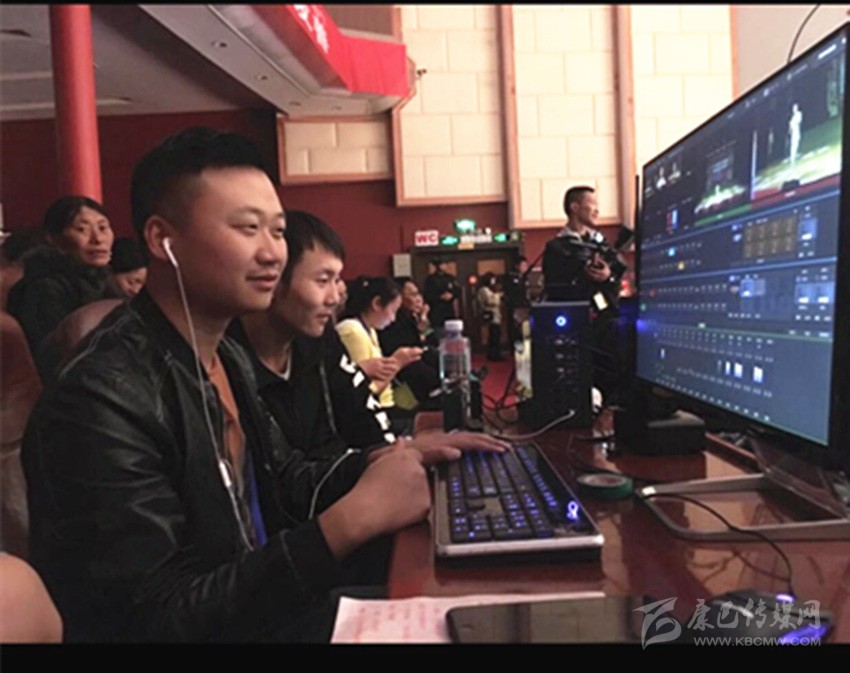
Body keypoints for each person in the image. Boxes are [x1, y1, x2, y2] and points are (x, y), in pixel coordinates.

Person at [21, 127, 435, 643]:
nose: (273, 253)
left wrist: (391, 458)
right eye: (248, 228)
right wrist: (351, 521)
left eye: (278, 231)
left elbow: (284, 481)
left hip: (262, 609)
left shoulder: (226, 356)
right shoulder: (100, 398)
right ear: (162, 240)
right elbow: (155, 617)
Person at [6, 195, 117, 360]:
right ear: (53, 239)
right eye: (82, 230)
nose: (98, 239)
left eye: (103, 228)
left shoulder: (105, 279)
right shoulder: (43, 288)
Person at [336, 276, 422, 435]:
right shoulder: (352, 331)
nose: (393, 319)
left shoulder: (370, 329)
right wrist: (396, 363)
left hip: (386, 406)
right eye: (393, 311)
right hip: (374, 412)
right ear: (376, 304)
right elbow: (365, 392)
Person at [542, 185, 626, 311]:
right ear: (574, 207)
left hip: (605, 313)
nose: (597, 211)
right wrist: (583, 276)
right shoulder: (556, 247)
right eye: (592, 204)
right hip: (575, 314)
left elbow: (618, 272)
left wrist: (607, 275)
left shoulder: (601, 243)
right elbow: (555, 289)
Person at [378, 276, 441, 409]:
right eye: (413, 294)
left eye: (418, 294)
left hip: (415, 360)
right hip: (402, 368)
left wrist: (423, 322)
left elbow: (433, 342)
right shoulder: (392, 321)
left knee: (436, 355)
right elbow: (405, 347)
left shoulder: (412, 317)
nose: (418, 299)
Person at [423, 257, 460, 332]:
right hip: (436, 311)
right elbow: (427, 295)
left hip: (449, 311)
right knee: (439, 331)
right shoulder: (430, 279)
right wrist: (440, 297)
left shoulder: (450, 278)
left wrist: (452, 295)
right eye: (440, 264)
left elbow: (458, 291)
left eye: (444, 264)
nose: (442, 266)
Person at [476, 272, 504, 362]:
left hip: (495, 315)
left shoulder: (489, 289)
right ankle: (493, 354)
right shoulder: (483, 290)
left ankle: (495, 353)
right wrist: (498, 295)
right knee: (494, 335)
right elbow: (490, 301)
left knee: (496, 335)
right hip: (491, 315)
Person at [503, 255, 530, 347]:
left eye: (526, 265)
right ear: (517, 266)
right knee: (515, 331)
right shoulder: (510, 277)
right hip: (514, 307)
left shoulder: (525, 277)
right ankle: (515, 349)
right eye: (523, 265)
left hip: (525, 307)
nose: (525, 268)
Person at [789, 102, 803, 166]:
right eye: (793, 108)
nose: (794, 109)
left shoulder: (798, 114)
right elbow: (791, 126)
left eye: (795, 108)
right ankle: (793, 156)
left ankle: (795, 154)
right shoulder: (793, 117)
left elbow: (798, 121)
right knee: (794, 144)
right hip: (794, 132)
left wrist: (793, 122)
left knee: (796, 142)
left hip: (796, 131)